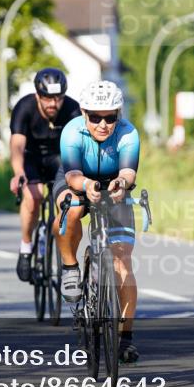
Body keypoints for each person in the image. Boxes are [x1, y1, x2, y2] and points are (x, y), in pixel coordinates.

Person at [53, 80, 141, 363]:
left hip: (114, 185)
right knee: (73, 210)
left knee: (122, 262)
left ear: (119, 113)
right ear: (83, 112)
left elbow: (129, 172)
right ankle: (69, 266)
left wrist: (119, 184)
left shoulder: (128, 133)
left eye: (110, 117)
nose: (103, 124)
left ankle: (125, 337)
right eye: (95, 117)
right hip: (75, 178)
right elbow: (72, 175)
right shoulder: (71, 131)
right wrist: (86, 184)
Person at [8, 68, 81, 282]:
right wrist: (18, 172)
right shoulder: (24, 107)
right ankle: (26, 246)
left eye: (57, 98)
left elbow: (79, 144)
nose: (52, 103)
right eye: (47, 98)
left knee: (68, 201)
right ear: (37, 96)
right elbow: (17, 145)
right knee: (34, 197)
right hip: (30, 157)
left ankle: (60, 242)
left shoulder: (72, 109)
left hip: (58, 158)